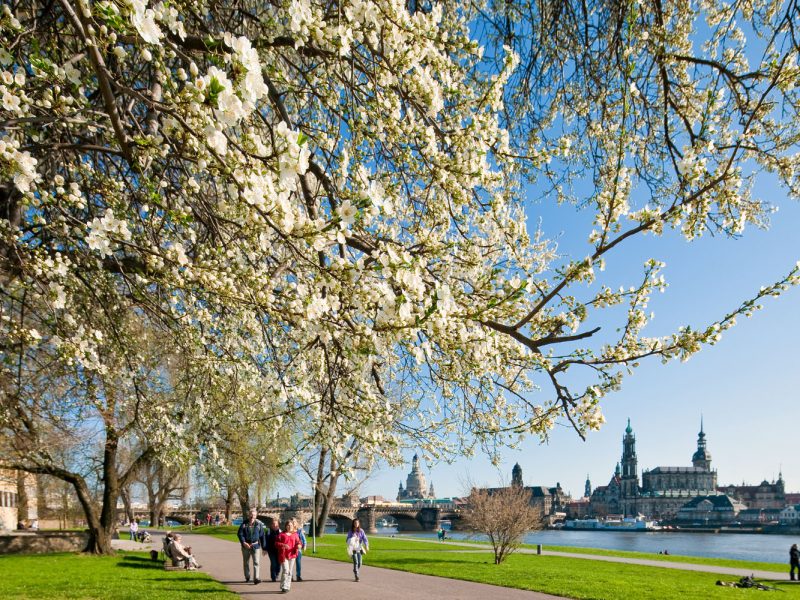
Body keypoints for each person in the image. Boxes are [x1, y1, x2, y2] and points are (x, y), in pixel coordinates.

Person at [237, 508, 266, 584]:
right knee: (246, 562)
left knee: (256, 562)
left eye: (254, 515)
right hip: (245, 546)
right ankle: (247, 576)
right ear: (248, 515)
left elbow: (262, 536)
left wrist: (264, 548)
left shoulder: (258, 525)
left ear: (256, 516)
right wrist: (243, 542)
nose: (252, 516)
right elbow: (240, 534)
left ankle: (256, 578)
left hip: (255, 546)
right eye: (251, 514)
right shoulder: (244, 524)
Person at [276, 520, 301, 593]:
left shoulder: (295, 534)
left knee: (290, 572)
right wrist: (283, 545)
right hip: (284, 555)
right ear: (286, 526)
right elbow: (276, 543)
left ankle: (287, 586)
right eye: (288, 525)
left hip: (292, 555)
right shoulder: (281, 534)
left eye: (291, 525)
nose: (289, 527)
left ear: (293, 527)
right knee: (286, 570)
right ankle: (283, 586)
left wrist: (299, 545)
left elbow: (298, 542)